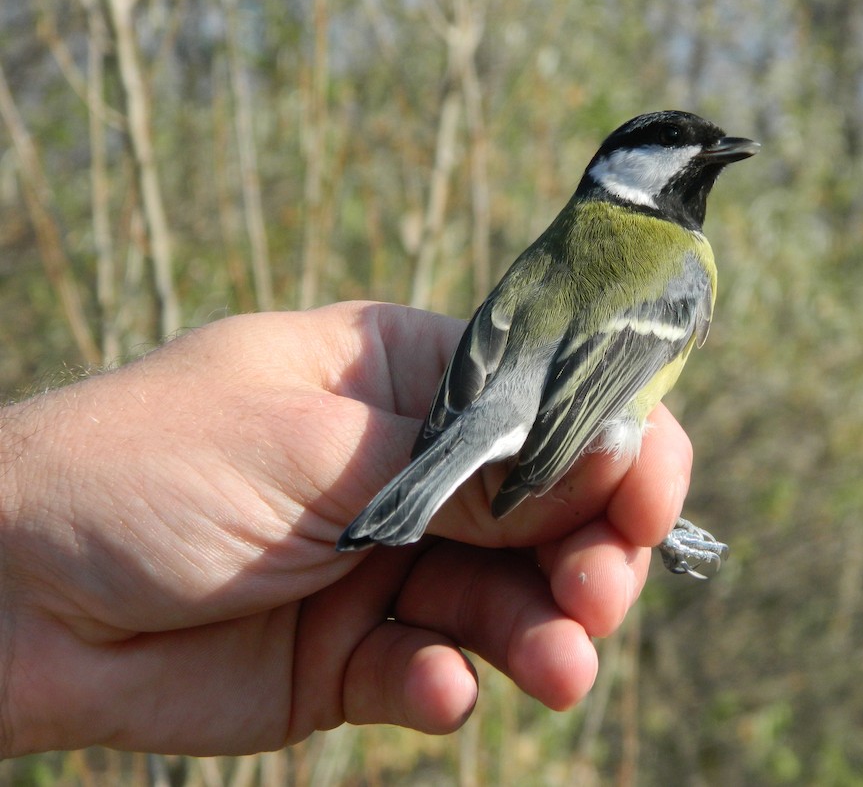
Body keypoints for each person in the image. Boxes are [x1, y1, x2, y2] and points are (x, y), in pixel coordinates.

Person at [0, 302, 695, 758]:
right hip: (546, 430)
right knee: (611, 505)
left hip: (477, 398)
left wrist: (446, 440)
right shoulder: (685, 267)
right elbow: (593, 406)